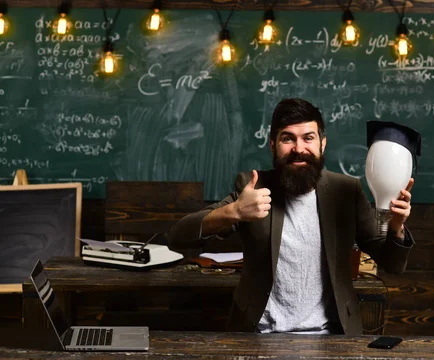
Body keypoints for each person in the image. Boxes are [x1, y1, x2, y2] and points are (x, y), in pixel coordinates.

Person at [168, 98, 415, 335]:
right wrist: (232, 212)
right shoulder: (252, 188)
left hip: (331, 336)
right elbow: (178, 236)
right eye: (288, 139)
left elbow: (392, 264)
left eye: (308, 138)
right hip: (260, 334)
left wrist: (397, 227)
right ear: (273, 145)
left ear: (322, 143)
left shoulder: (346, 191)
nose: (299, 149)